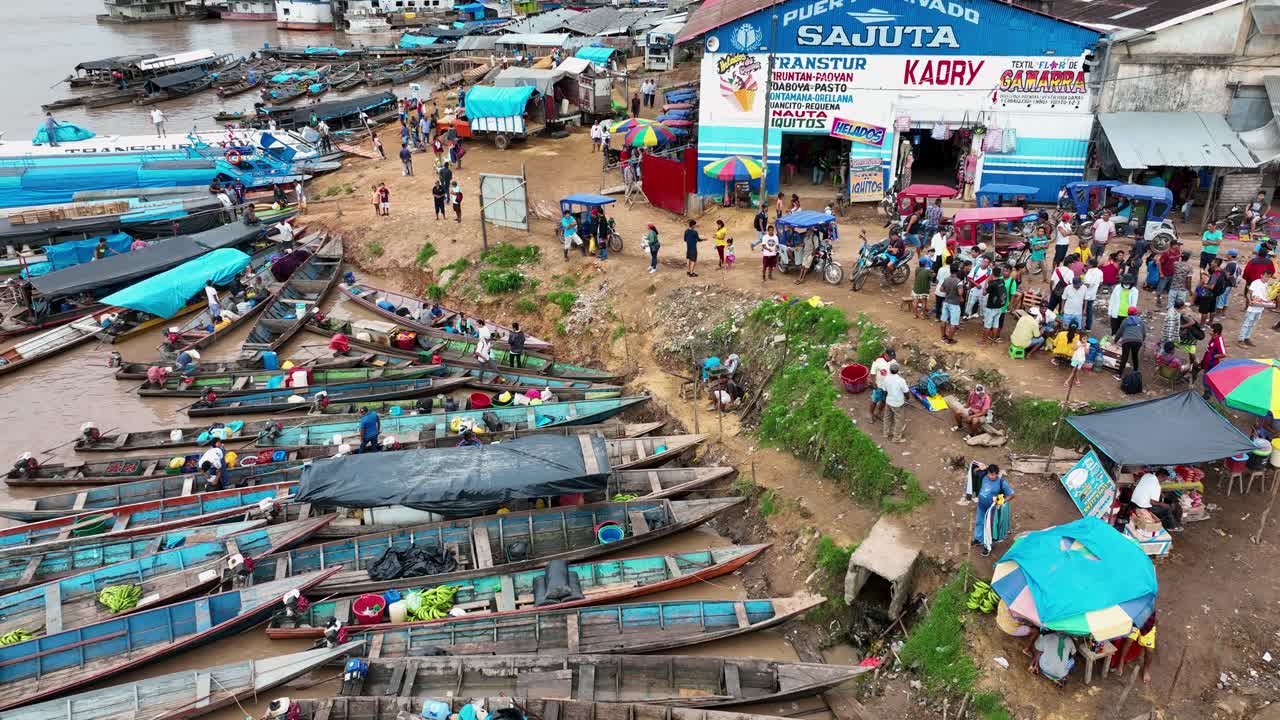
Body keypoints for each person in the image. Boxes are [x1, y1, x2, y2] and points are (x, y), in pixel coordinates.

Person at [972, 463, 1013, 556]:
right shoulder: (983, 475)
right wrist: (980, 467)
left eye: (993, 474)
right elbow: (974, 472)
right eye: (989, 474)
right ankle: (978, 539)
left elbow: (1011, 495)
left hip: (992, 511)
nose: (991, 476)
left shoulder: (1001, 482)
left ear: (997, 474)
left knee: (989, 528)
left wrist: (1000, 501)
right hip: (981, 506)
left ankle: (987, 546)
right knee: (979, 522)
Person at [1132, 467, 1180, 531]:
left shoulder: (1147, 475)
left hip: (1133, 500)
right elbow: (1152, 502)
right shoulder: (1157, 486)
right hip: (1142, 506)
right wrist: (1163, 504)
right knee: (1167, 509)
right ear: (1161, 476)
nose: (1163, 481)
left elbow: (1148, 487)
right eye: (1164, 479)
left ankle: (1162, 519)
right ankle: (1172, 527)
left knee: (1160, 505)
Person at [1115, 611, 1157, 684]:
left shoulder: (1150, 602)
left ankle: (1146, 669)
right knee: (1128, 641)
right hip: (1136, 622)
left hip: (1148, 624)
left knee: (1150, 651)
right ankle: (1121, 662)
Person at [1239, 266, 1275, 346]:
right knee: (1247, 323)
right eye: (1266, 276)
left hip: (1260, 307)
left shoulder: (1267, 285)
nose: (1267, 278)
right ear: (1261, 275)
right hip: (1253, 307)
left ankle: (1247, 338)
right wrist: (1249, 301)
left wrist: (1268, 302)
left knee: (1253, 324)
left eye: (1268, 277)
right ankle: (1241, 340)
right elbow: (1249, 293)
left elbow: (1265, 297)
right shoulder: (1256, 282)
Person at [881, 362, 910, 443]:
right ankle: (896, 438)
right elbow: (906, 392)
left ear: (890, 370)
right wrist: (908, 398)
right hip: (898, 404)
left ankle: (885, 433)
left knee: (887, 417)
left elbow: (884, 391)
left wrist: (888, 397)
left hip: (889, 402)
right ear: (898, 370)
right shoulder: (901, 380)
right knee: (898, 420)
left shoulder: (886, 378)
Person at [1115, 307, 1145, 380]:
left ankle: (1119, 375)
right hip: (1138, 341)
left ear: (1128, 313)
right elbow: (1144, 333)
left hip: (1127, 341)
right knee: (1135, 355)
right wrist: (1141, 340)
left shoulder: (1125, 321)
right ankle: (1135, 371)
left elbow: (1120, 332)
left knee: (1124, 357)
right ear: (1136, 313)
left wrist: (1116, 340)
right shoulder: (1140, 321)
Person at [939, 261, 964, 344]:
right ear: (957, 271)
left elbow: (941, 289)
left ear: (950, 270)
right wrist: (960, 297)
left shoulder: (946, 279)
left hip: (946, 302)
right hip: (955, 304)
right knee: (954, 322)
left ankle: (943, 336)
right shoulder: (959, 282)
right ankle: (950, 339)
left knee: (943, 320)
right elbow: (960, 293)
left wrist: (948, 290)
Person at [868, 348, 896, 423]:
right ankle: (871, 414)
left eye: (892, 357)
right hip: (878, 386)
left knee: (884, 400)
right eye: (890, 357)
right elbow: (872, 374)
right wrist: (874, 383)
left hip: (887, 387)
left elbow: (894, 373)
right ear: (886, 355)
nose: (891, 359)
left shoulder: (893, 361)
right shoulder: (878, 360)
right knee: (874, 401)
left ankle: (879, 413)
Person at [980, 267, 1006, 344]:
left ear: (992, 274)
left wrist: (986, 282)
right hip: (999, 307)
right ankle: (994, 340)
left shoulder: (992, 284)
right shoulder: (1002, 281)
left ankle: (983, 341)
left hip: (991, 307)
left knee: (987, 325)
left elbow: (984, 293)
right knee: (995, 324)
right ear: (1000, 274)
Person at [912, 252, 933, 319]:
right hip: (924, 289)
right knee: (924, 302)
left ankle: (915, 315)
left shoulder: (917, 268)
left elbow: (916, 276)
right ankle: (923, 315)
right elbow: (931, 278)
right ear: (925, 264)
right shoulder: (927, 271)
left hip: (916, 288)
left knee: (915, 301)